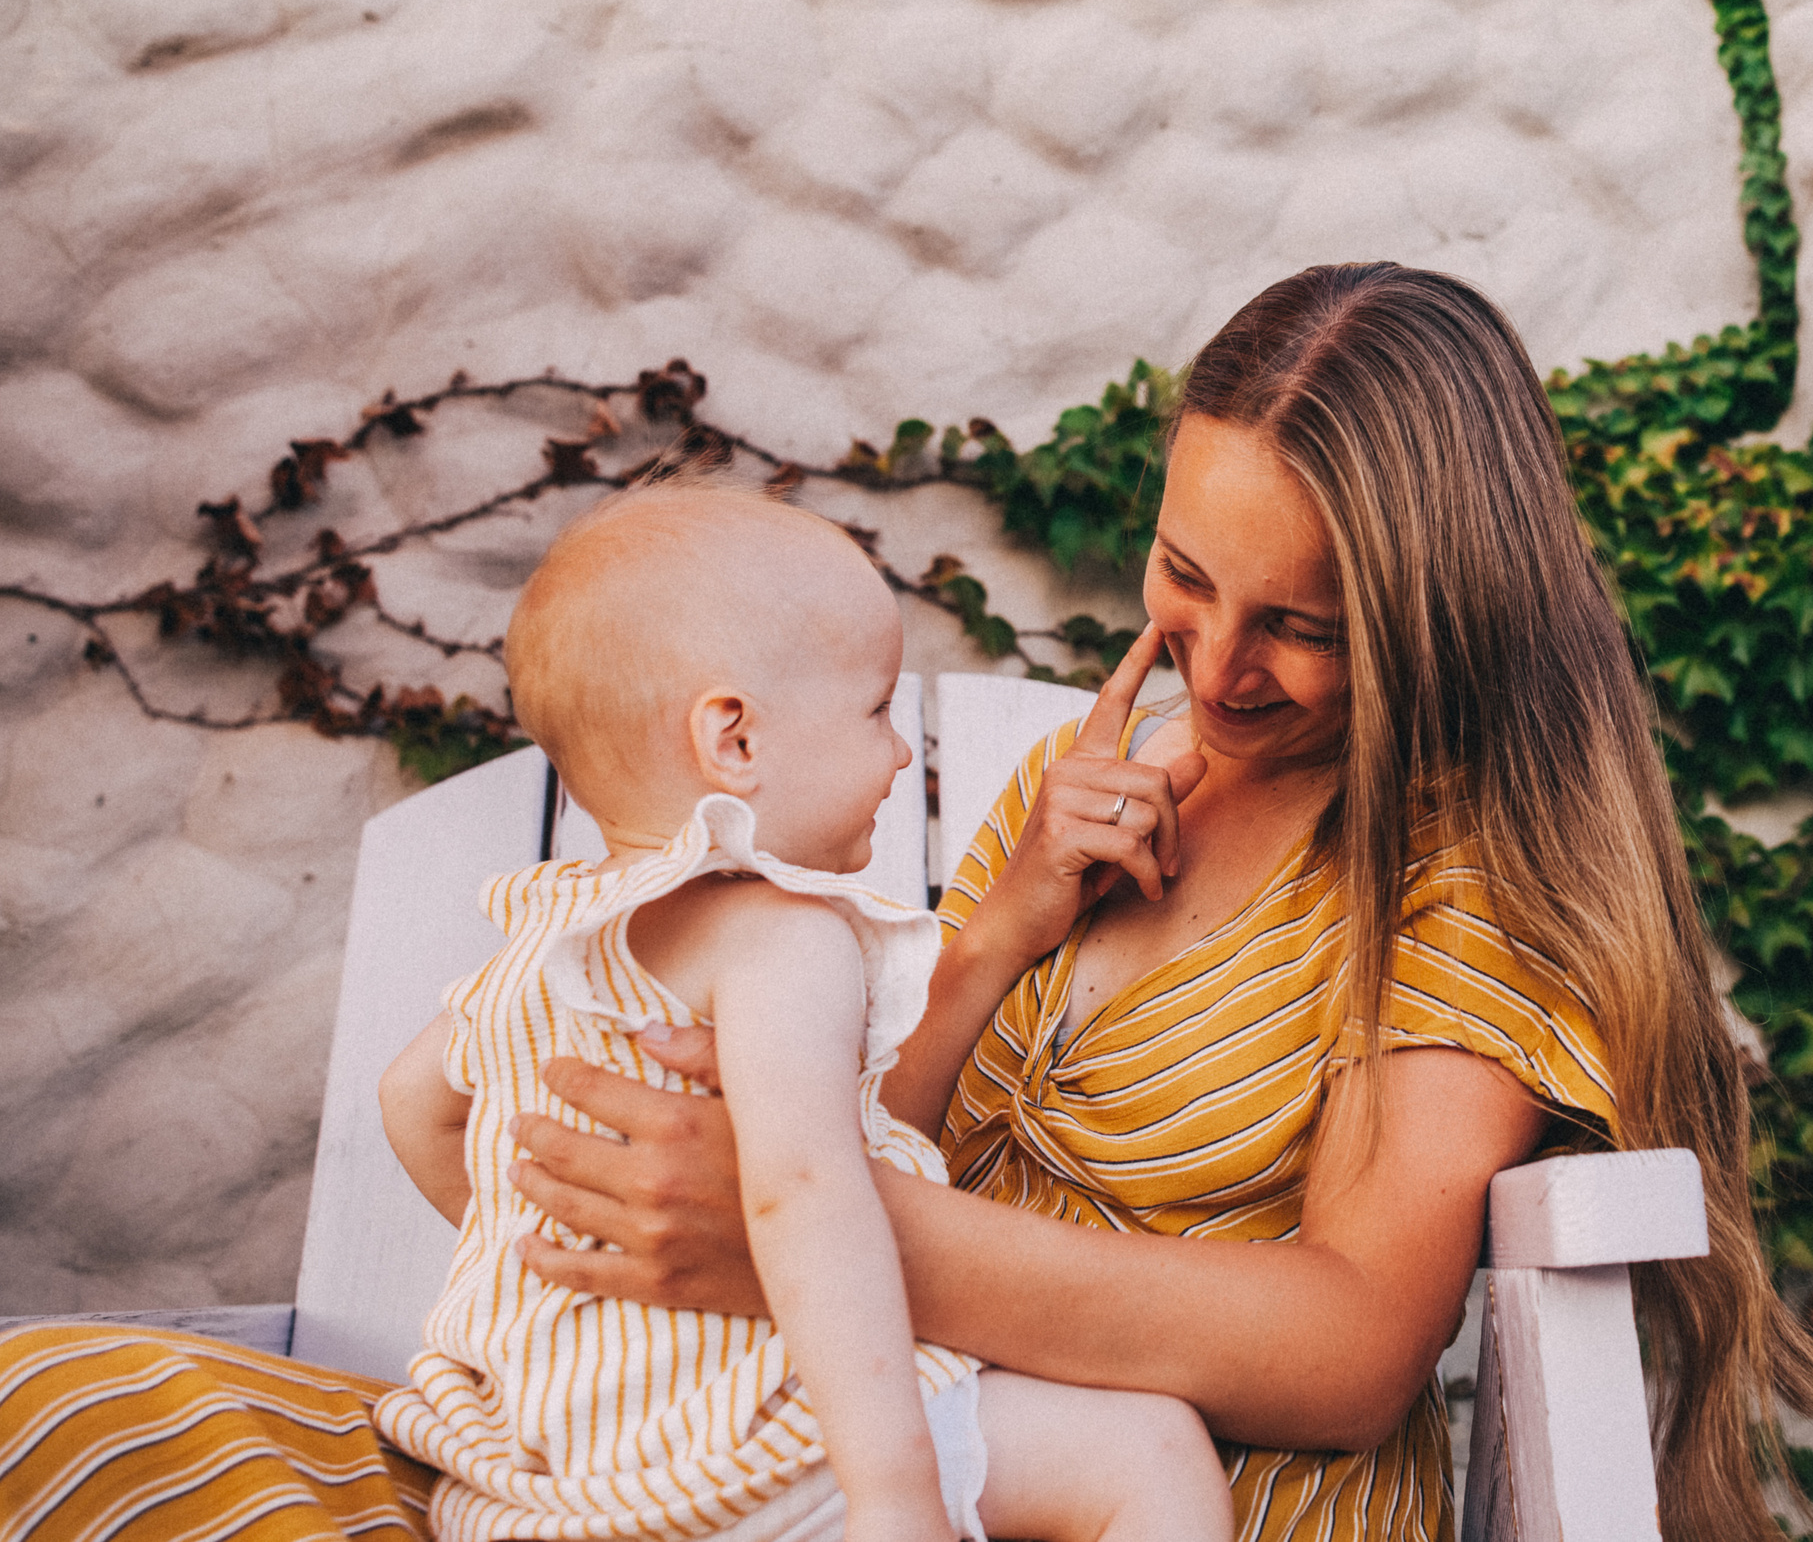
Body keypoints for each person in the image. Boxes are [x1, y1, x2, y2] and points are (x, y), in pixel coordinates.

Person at [0, 263, 1813, 1542]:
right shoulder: (1097, 782)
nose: (1218, 657)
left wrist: (813, 1234)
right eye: (1187, 577)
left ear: (1433, 621)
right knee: (66, 1412)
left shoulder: (1464, 882)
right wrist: (991, 937)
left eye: (1304, 625)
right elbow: (868, 1109)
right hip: (818, 1433)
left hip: (1132, 1491)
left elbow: (1355, 1347)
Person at [370, 478, 1233, 1542]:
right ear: (735, 740)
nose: (900, 751)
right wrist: (894, 1497)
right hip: (748, 1473)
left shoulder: (541, 947)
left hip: (536, 1485)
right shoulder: (786, 938)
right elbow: (807, 1204)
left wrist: (585, 1289)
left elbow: (411, 1102)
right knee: (1148, 1454)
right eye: (875, 709)